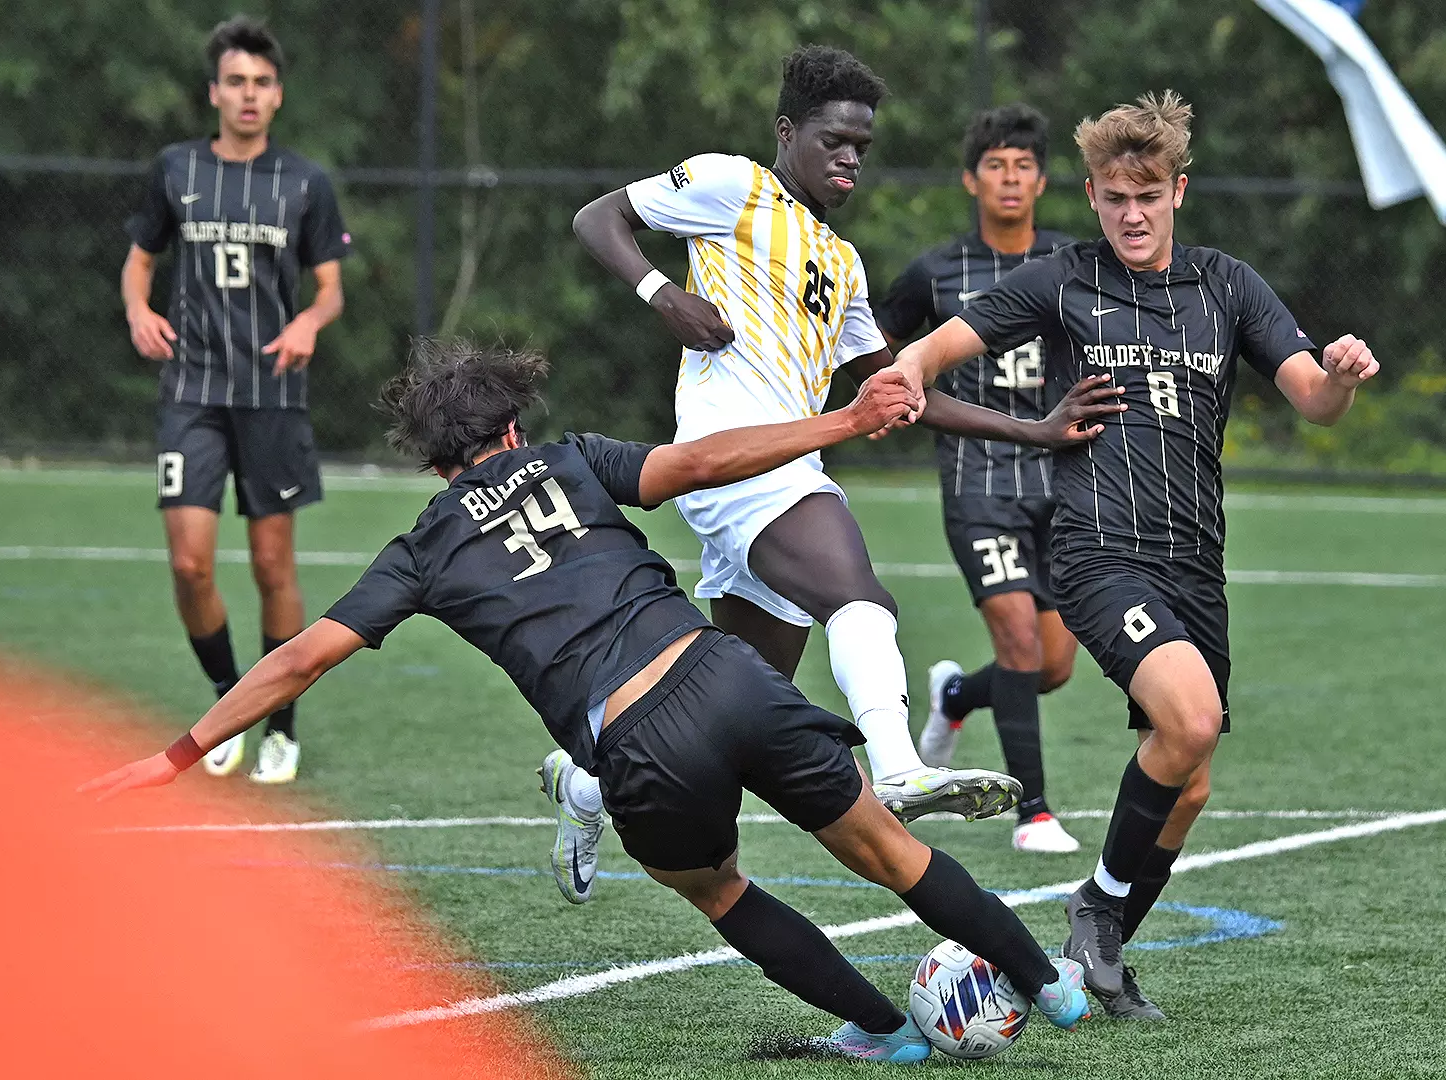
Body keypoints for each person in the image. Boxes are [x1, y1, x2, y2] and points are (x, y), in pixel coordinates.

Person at [83, 340, 1091, 1062]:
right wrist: (848, 422)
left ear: (436, 462)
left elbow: (301, 658)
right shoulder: (568, 457)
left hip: (638, 743)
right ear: (512, 425)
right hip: (723, 672)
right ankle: (1051, 986)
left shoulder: (424, 546)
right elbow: (698, 462)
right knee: (887, 848)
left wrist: (174, 754)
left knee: (717, 886)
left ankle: (881, 1033)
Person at [888, 92, 1379, 1020]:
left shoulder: (1226, 285)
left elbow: (1312, 396)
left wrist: (1343, 378)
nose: (1132, 213)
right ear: (1094, 195)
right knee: (1188, 721)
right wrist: (906, 374)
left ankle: (1101, 935)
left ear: (1178, 191)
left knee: (1187, 781)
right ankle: (1097, 917)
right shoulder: (1062, 279)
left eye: (1148, 194)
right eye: (1115, 197)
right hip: (1100, 551)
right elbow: (937, 349)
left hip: (1196, 563)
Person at [572, 46, 1116, 822]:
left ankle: (587, 781)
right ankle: (898, 766)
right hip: (736, 459)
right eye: (835, 141)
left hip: (779, 467)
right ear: (787, 132)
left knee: (730, 701)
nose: (851, 158)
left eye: (862, 146)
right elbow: (598, 217)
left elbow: (896, 389)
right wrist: (663, 295)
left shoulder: (842, 262)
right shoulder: (735, 185)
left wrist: (1034, 428)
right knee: (861, 598)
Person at [120, 15, 350, 785]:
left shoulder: (305, 182)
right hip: (191, 392)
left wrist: (310, 325)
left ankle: (280, 725)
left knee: (269, 564)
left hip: (272, 395)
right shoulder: (176, 168)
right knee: (189, 565)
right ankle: (228, 702)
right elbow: (138, 261)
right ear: (214, 92)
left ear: (276, 95)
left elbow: (329, 292)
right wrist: (138, 309)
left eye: (260, 83)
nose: (247, 96)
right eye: (235, 83)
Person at [876, 104, 1085, 855]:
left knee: (1052, 665)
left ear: (1042, 180)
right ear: (972, 179)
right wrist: (890, 395)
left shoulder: (1070, 261)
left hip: (1061, 485)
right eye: (995, 164)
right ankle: (1034, 813)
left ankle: (956, 695)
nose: (1009, 177)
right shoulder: (936, 271)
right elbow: (872, 341)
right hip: (978, 484)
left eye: (1023, 165)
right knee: (1021, 643)